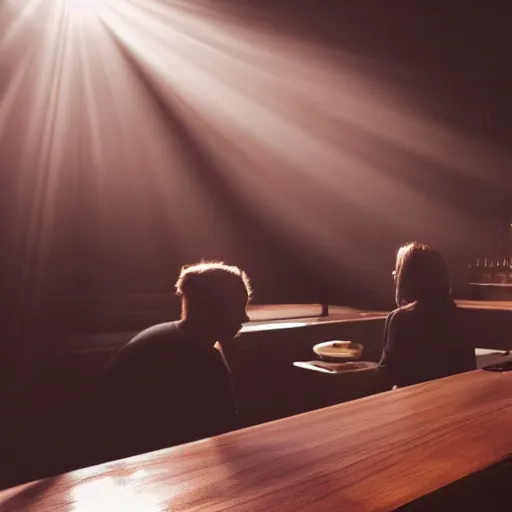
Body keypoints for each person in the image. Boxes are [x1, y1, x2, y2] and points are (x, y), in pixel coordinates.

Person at [94, 261, 251, 462]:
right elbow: (224, 438)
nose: (245, 318)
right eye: (236, 308)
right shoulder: (201, 360)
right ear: (210, 309)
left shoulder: (165, 335)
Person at [379, 242, 476, 389]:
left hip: (413, 405)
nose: (394, 275)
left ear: (406, 277)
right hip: (454, 401)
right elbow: (468, 372)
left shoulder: (400, 319)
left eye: (397, 270)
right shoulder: (462, 318)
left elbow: (387, 376)